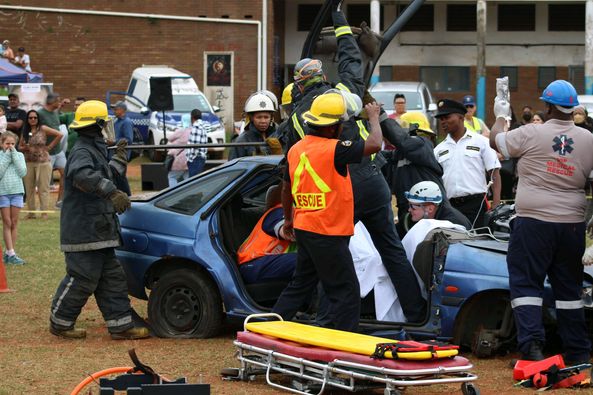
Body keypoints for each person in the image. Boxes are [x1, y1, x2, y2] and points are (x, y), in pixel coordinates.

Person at [490, 80, 593, 364]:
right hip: (571, 225)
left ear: (547, 106)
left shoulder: (530, 132)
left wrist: (501, 115)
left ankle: (533, 349)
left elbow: (496, 140)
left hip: (533, 222)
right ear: (573, 109)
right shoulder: (588, 139)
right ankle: (578, 352)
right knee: (569, 289)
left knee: (526, 286)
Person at [272, 92, 383, 332]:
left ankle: (266, 329)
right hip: (327, 232)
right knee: (347, 290)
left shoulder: (296, 149)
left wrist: (289, 219)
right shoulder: (335, 149)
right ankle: (346, 347)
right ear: (333, 127)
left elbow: (286, 188)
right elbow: (375, 144)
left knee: (300, 285)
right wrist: (374, 117)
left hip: (304, 227)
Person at [49, 100, 150, 340]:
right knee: (83, 278)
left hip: (99, 230)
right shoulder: (83, 150)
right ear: (98, 125)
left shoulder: (94, 149)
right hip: (85, 231)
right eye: (105, 122)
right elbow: (83, 176)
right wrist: (113, 193)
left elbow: (105, 174)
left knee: (112, 278)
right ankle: (60, 322)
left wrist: (120, 157)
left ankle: (121, 325)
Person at [433, 99, 501, 229]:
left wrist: (496, 203)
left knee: (477, 243)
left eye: (447, 117)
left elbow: (494, 172)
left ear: (460, 117)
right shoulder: (438, 150)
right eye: (441, 119)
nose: (443, 122)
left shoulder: (481, 142)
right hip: (449, 207)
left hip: (476, 204)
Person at [381, 111, 447, 235]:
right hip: (411, 211)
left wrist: (381, 117)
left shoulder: (421, 144)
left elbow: (402, 141)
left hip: (427, 212)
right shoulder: (401, 154)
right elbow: (381, 158)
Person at [19, 109, 61, 219]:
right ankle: (31, 213)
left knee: (44, 188)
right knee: (29, 188)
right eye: (30, 118)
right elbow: (19, 146)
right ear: (27, 119)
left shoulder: (42, 128)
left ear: (38, 119)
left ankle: (44, 213)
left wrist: (50, 147)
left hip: (43, 162)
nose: (33, 119)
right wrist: (25, 148)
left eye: (35, 117)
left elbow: (59, 134)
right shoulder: (25, 130)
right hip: (29, 162)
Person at [0, 131, 26, 265]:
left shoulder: (19, 155)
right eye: (7, 143)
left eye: (12, 144)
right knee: (7, 222)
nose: (10, 146)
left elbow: (22, 172)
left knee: (14, 222)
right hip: (3, 193)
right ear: (2, 144)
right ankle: (10, 253)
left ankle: (10, 252)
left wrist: (14, 156)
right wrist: (6, 157)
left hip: (17, 192)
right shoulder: (0, 156)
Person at [228, 92, 277, 160]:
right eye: (259, 117)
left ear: (271, 118)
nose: (263, 121)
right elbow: (233, 167)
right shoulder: (242, 141)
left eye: (266, 117)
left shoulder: (278, 136)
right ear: (251, 118)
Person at [37, 92, 66, 206]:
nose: (59, 103)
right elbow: (35, 130)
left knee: (65, 174)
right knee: (44, 180)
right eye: (58, 101)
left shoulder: (55, 112)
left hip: (58, 152)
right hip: (46, 152)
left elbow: (59, 108)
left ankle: (59, 202)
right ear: (51, 102)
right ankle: (42, 205)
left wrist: (62, 104)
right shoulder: (40, 114)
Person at [405, 181, 471, 229]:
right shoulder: (411, 219)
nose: (409, 210)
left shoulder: (452, 225)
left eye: (413, 207)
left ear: (430, 209)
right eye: (409, 205)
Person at [166, 113, 191, 186]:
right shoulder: (193, 130)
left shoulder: (180, 131)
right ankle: (188, 193)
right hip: (189, 157)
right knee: (187, 177)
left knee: (172, 177)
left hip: (179, 158)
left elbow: (170, 138)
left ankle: (173, 193)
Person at [186, 109, 209, 177]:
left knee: (193, 182)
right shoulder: (203, 125)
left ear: (192, 117)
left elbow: (194, 144)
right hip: (201, 157)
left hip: (195, 158)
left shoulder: (196, 126)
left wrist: (190, 158)